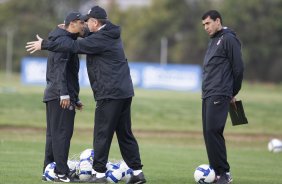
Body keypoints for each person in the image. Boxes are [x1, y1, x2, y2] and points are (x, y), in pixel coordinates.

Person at [27, 6, 146, 184]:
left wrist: (45, 43)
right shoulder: (108, 34)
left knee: (101, 134)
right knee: (124, 133)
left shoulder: (100, 39)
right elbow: (83, 36)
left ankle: (98, 175)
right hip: (123, 92)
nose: (84, 25)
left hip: (110, 93)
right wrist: (64, 29)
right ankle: (137, 173)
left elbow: (74, 45)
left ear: (95, 22)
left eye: (86, 21)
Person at [201, 10, 244, 184]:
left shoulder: (228, 39)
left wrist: (233, 92)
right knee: (208, 133)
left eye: (208, 23)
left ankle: (224, 174)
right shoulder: (213, 41)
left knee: (213, 131)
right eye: (204, 24)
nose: (206, 27)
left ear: (218, 21)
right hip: (208, 93)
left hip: (220, 93)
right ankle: (216, 173)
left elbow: (238, 68)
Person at [41, 12, 85, 183]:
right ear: (72, 24)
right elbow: (60, 69)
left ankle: (48, 171)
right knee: (62, 134)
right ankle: (61, 173)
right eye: (81, 23)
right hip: (59, 95)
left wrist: (74, 97)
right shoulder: (64, 42)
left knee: (53, 135)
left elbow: (68, 73)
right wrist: (65, 94)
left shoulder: (62, 38)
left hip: (55, 94)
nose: (84, 26)